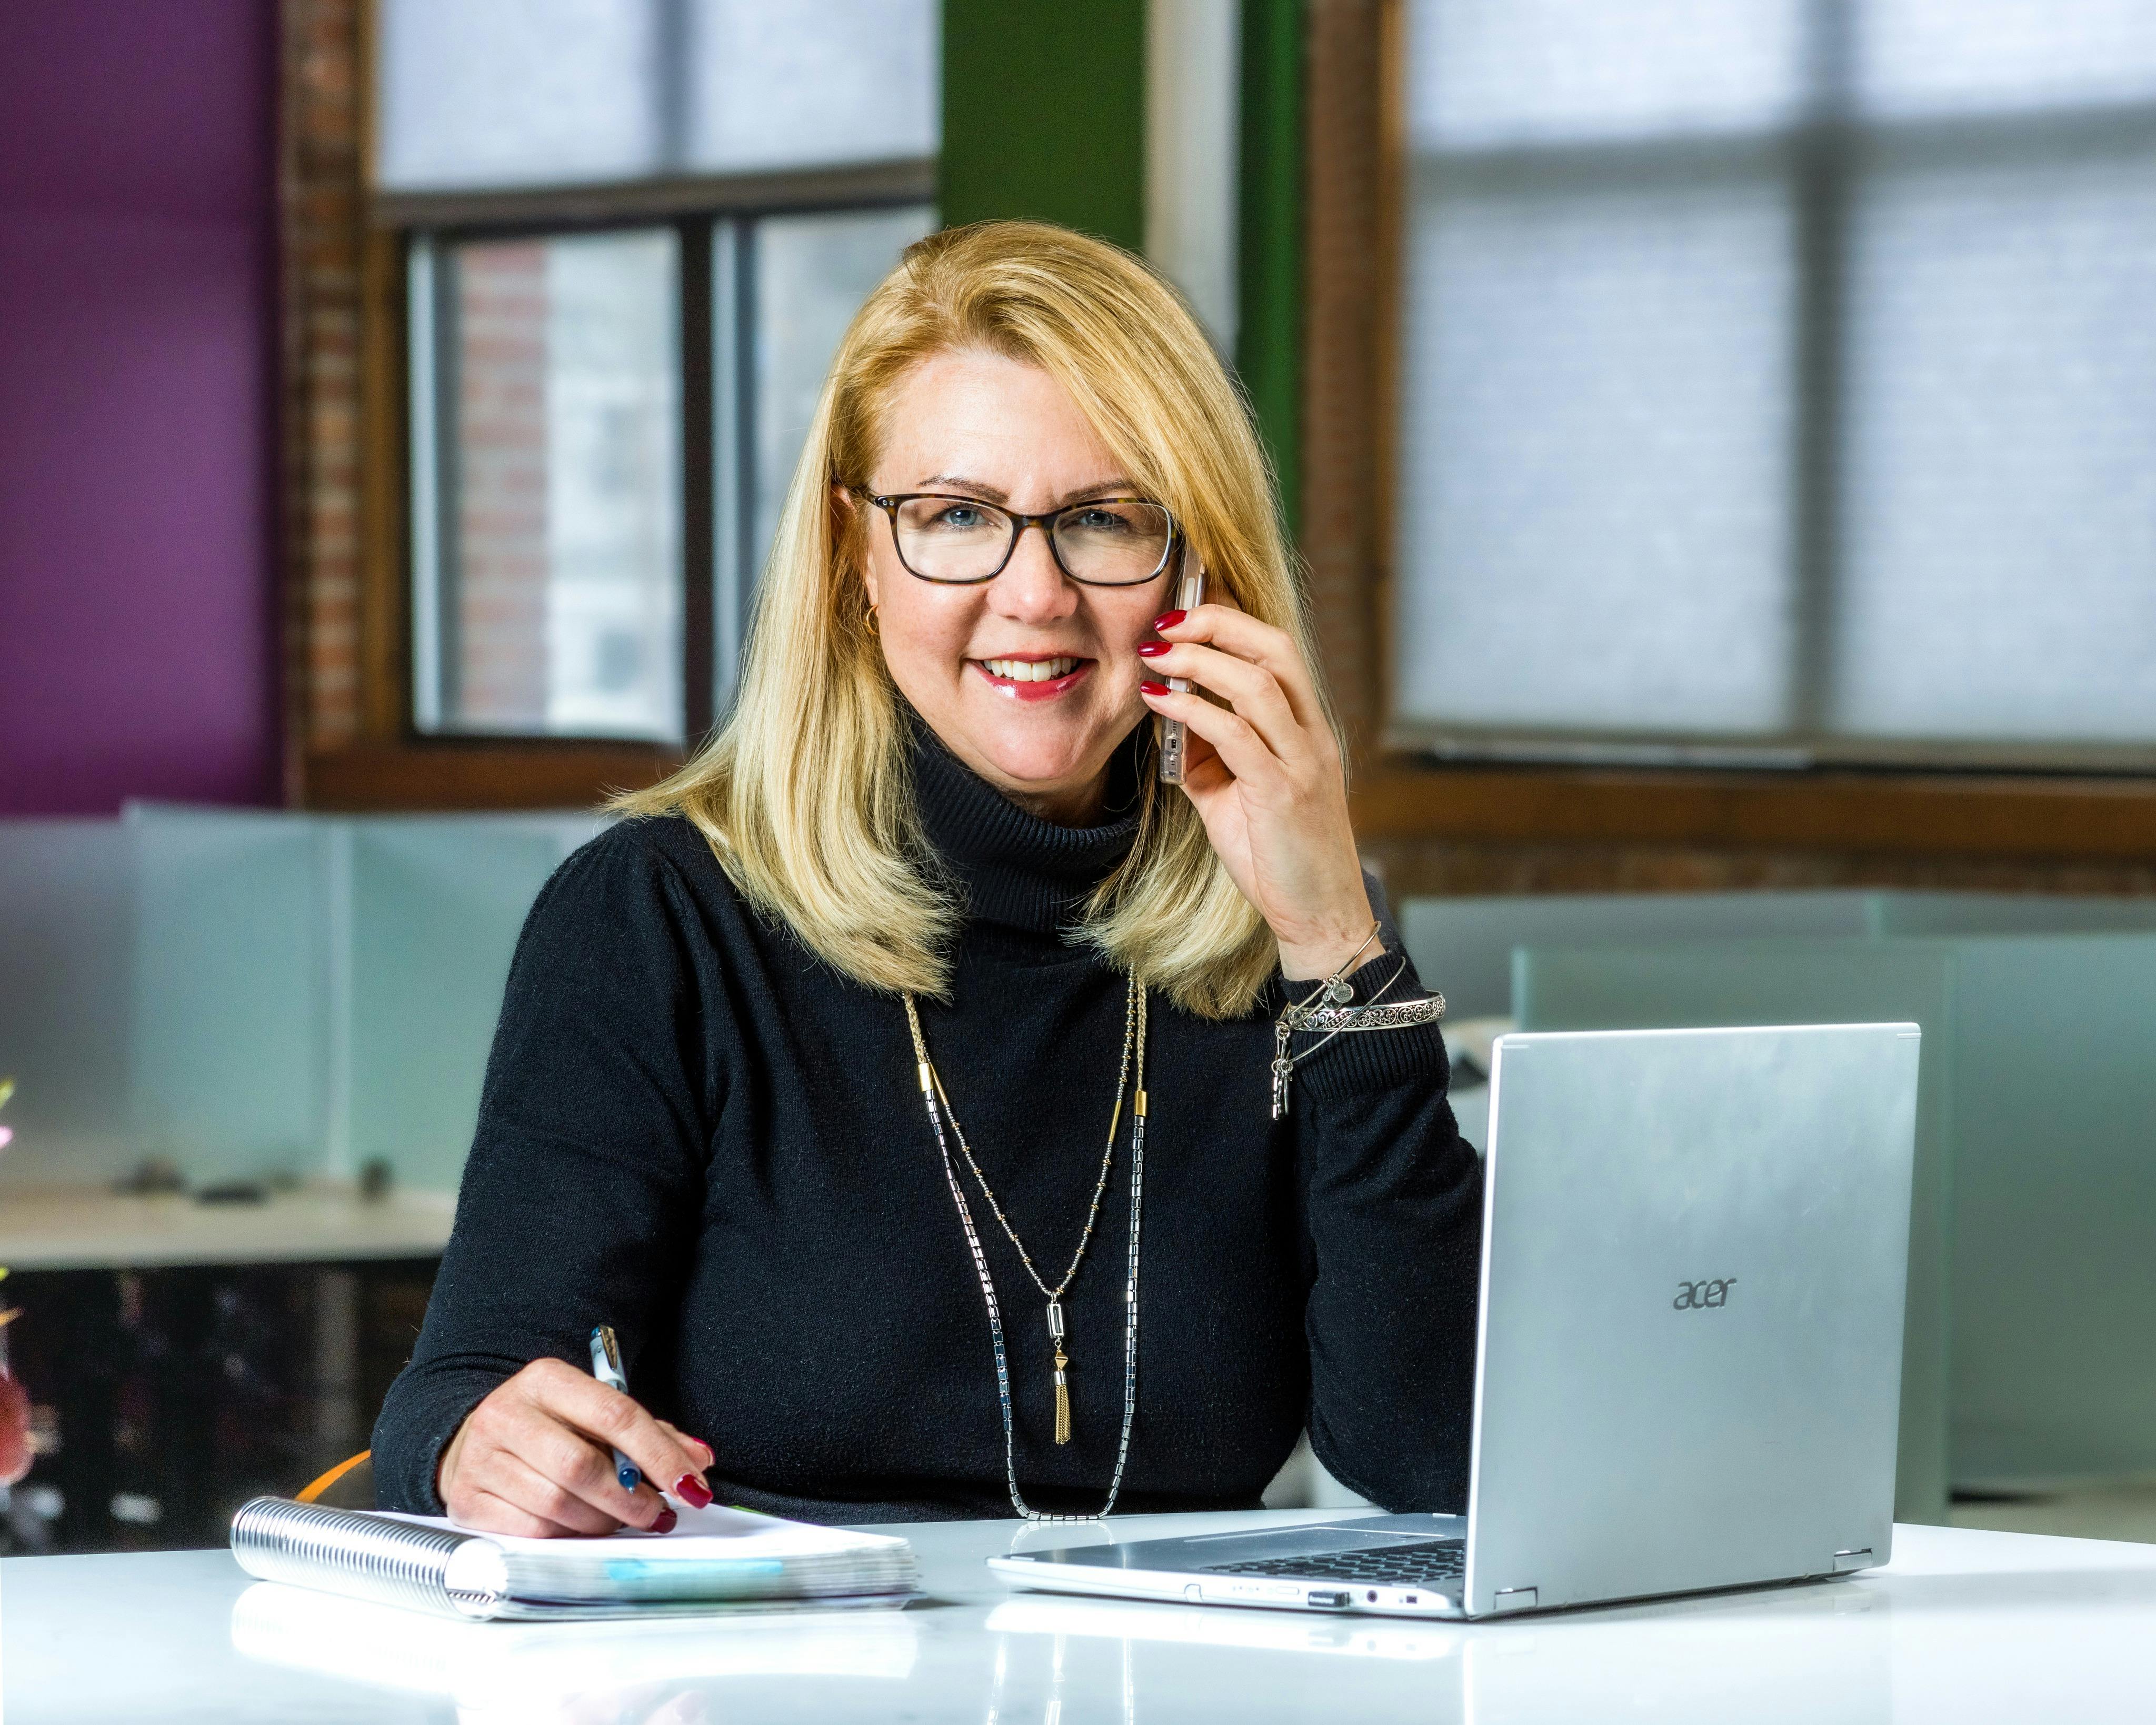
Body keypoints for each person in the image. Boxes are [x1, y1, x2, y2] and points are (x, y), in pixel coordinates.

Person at [373, 221, 1480, 1535]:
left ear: (1198, 567)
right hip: (781, 1643)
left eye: (1103, 519)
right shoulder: (659, 915)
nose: (1035, 593)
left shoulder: (1290, 939)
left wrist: (1333, 934)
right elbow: (463, 1396)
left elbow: (1432, 1455)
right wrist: (477, 1445)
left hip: (1169, 1647)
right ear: (855, 555)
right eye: (956, 517)